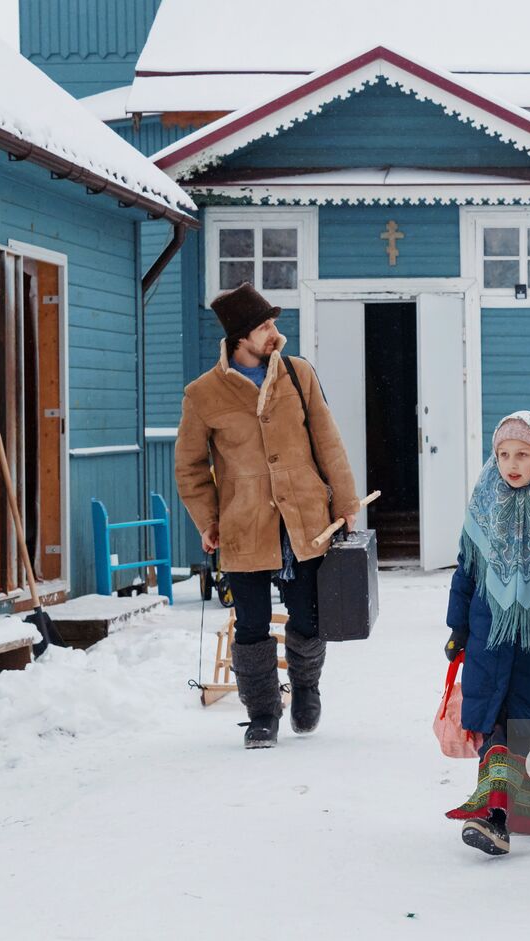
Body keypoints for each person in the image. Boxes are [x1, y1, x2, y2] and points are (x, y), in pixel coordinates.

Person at [175, 282, 360, 749]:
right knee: (251, 624)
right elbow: (190, 467)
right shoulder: (203, 395)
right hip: (244, 524)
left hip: (303, 519)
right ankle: (261, 713)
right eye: (264, 326)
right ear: (241, 337)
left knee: (308, 616)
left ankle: (305, 689)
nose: (274, 332)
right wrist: (207, 520)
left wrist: (346, 502)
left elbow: (328, 442)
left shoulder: (297, 374)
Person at [443, 412, 530, 856]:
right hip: (491, 634)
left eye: (522, 454)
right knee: (493, 721)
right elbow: (467, 566)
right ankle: (494, 814)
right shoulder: (487, 493)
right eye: (503, 454)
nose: (511, 464)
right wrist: (458, 626)